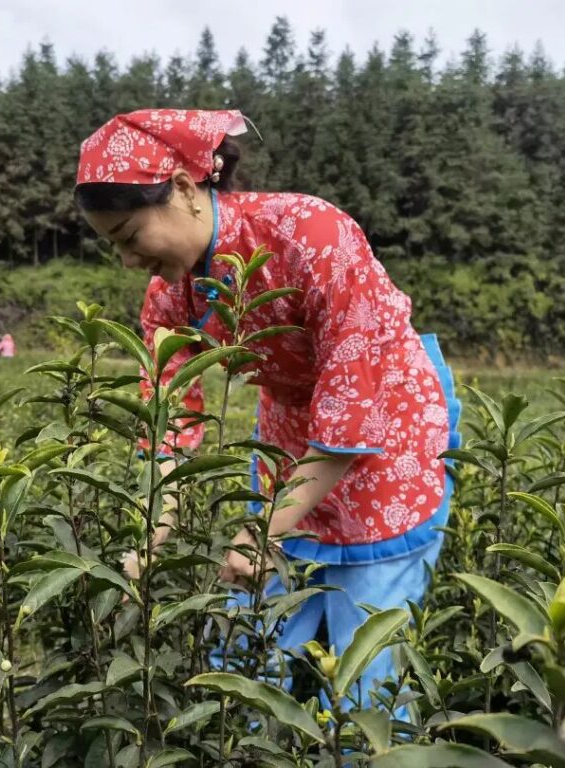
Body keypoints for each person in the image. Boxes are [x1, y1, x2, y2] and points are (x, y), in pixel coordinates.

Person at [73, 108, 462, 716]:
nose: (127, 261)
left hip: (390, 438)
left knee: (370, 680)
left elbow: (352, 404)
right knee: (244, 654)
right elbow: (171, 423)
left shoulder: (311, 233)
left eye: (129, 237)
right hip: (288, 451)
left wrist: (261, 532)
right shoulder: (169, 297)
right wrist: (152, 539)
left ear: (182, 188)